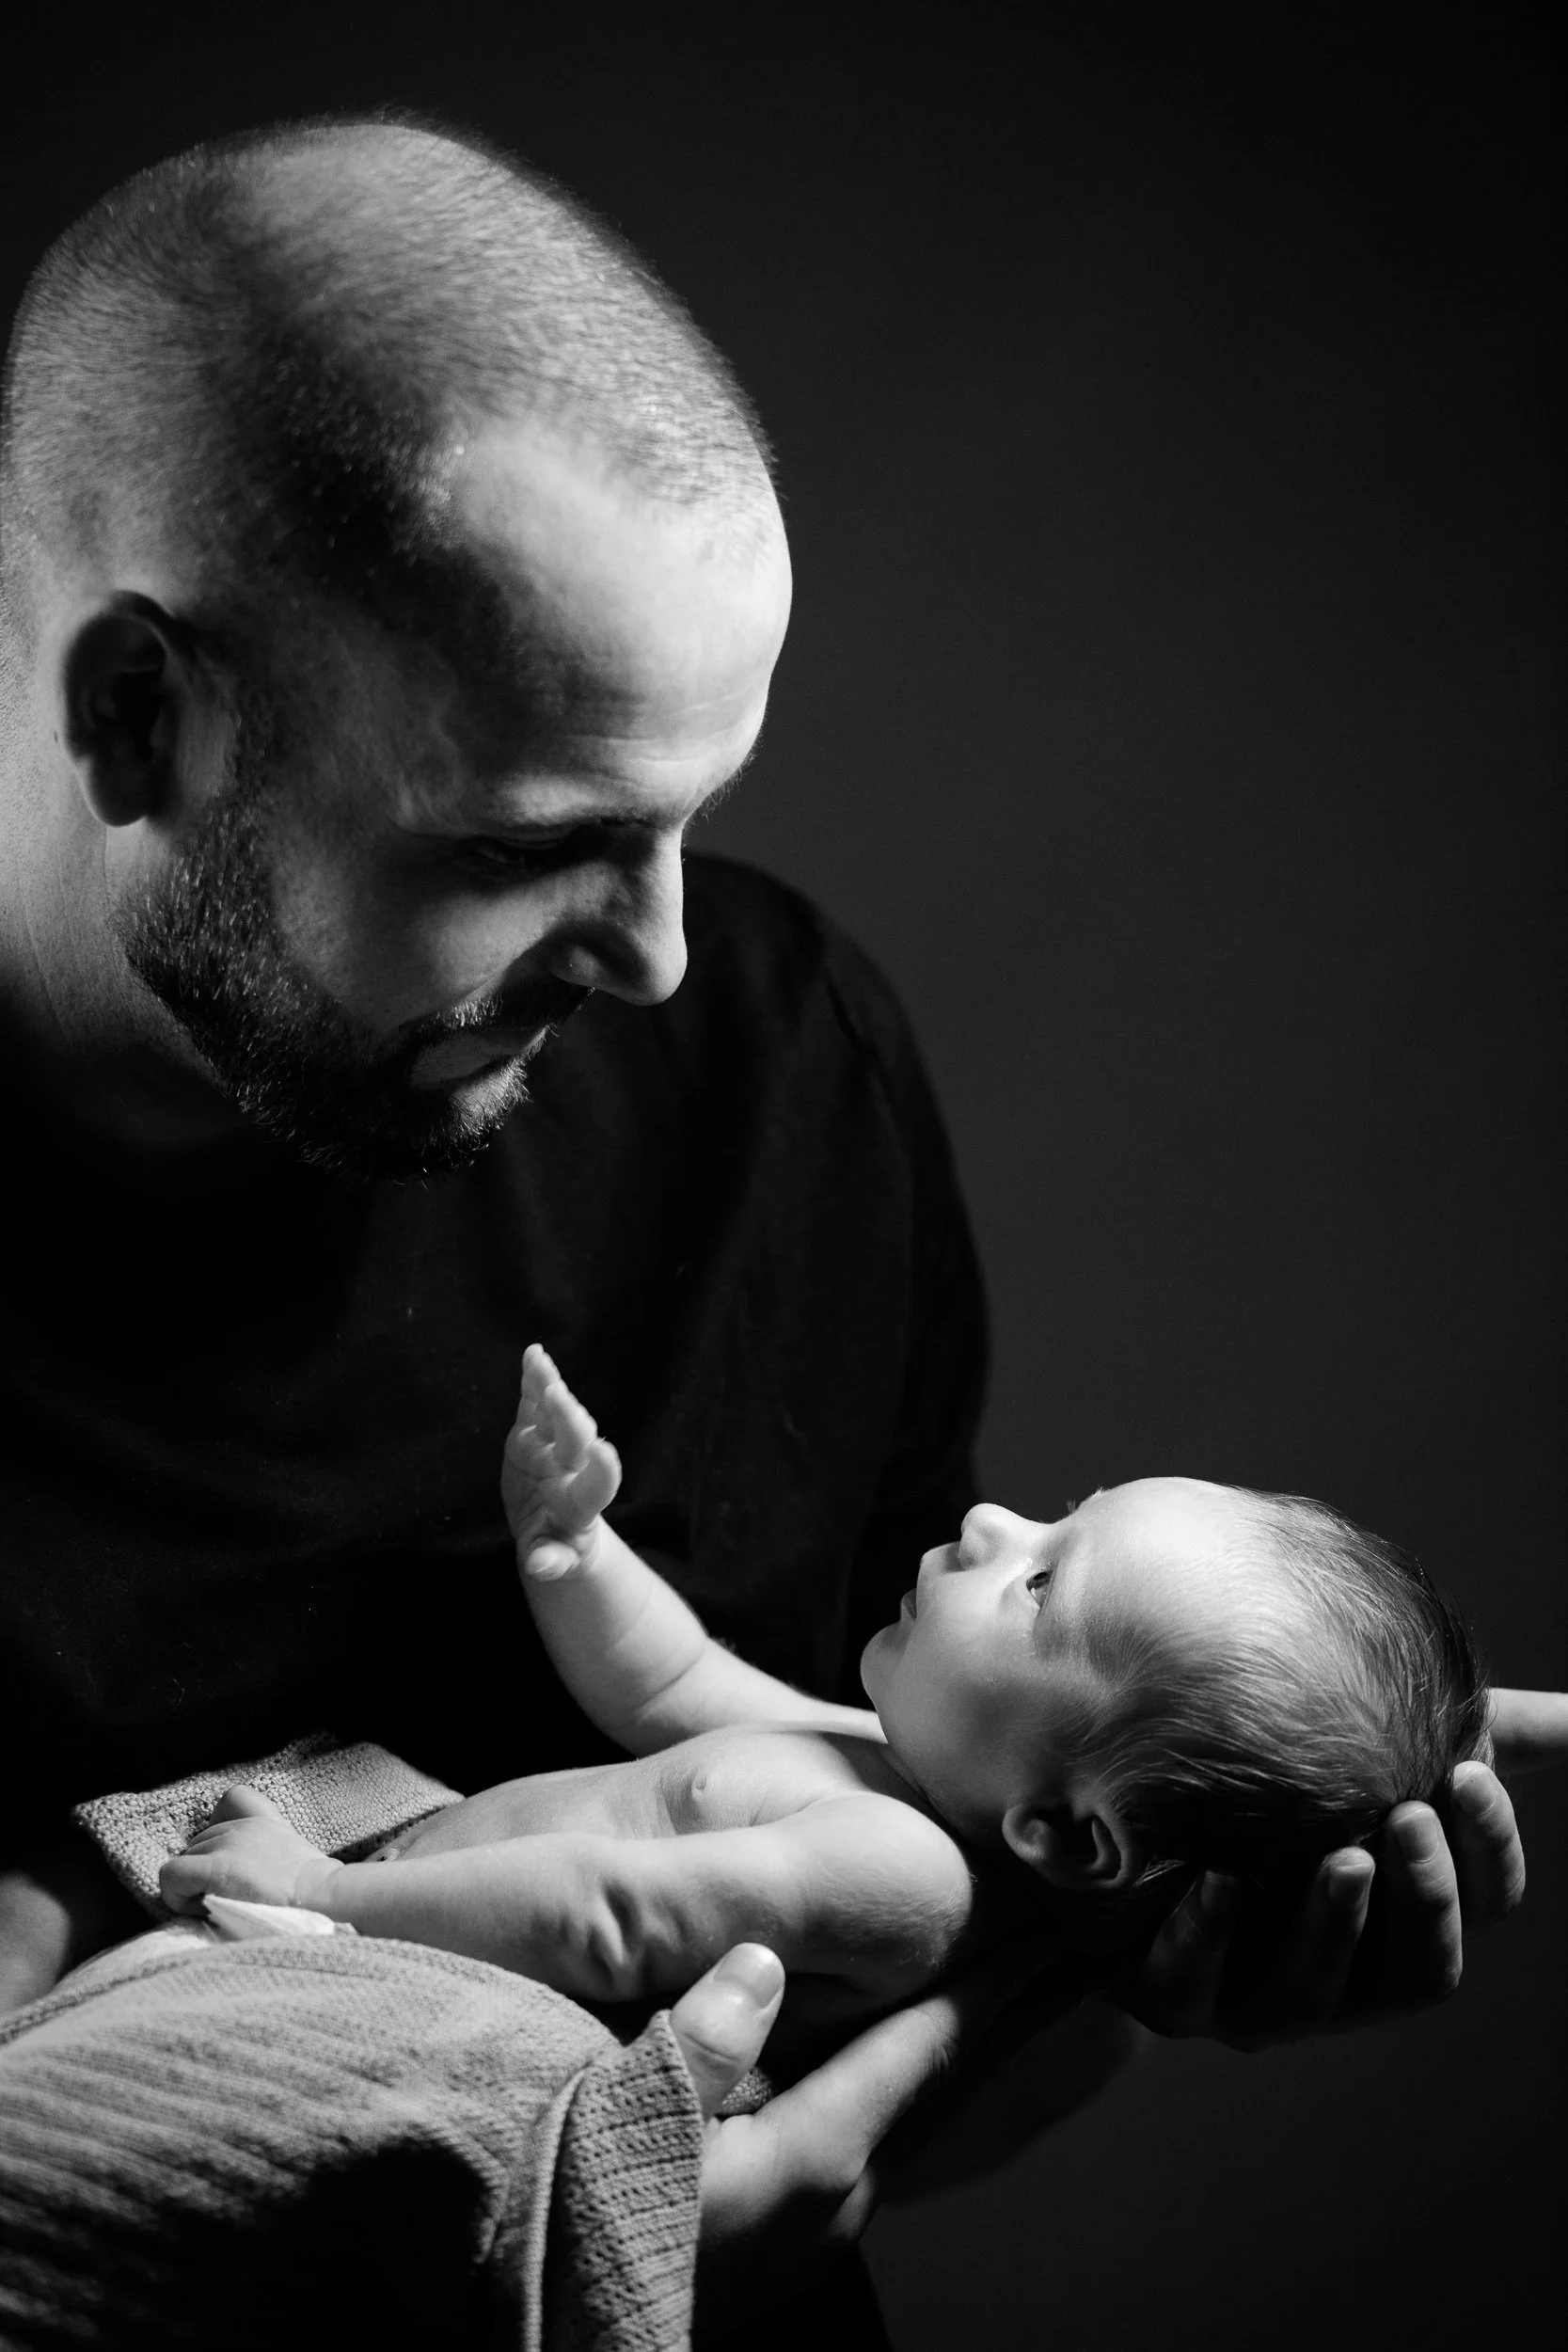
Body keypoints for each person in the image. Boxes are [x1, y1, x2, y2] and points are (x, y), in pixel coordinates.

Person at [0, 112, 1539, 2344]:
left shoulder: (776, 1076)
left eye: (696, 818)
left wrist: (1113, 1975)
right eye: (544, 841)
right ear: (139, 712)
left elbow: (892, 1937)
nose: (656, 958)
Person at [158, 1343, 1509, 2033]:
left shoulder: (894, 1874)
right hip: (363, 1915)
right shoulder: (871, 1759)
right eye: (1052, 1515)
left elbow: (604, 1924)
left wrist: (328, 1899)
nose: (987, 1522)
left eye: (1041, 1585)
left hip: (391, 1980)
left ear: (1062, 1831)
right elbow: (671, 1682)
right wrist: (573, 1551)